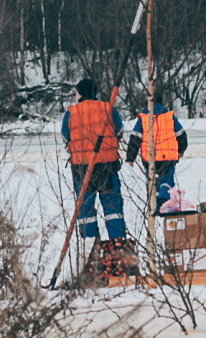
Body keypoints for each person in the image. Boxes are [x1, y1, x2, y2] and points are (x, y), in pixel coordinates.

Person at [61, 78, 128, 269]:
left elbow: (65, 136)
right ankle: (119, 255)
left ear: (80, 93)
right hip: (107, 168)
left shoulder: (71, 113)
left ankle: (91, 257)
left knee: (86, 213)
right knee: (113, 211)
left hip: (82, 170)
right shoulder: (108, 108)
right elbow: (119, 130)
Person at [124, 93, 188, 202]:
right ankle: (164, 199)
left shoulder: (143, 118)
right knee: (167, 180)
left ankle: (154, 205)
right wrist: (181, 150)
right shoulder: (169, 116)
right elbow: (181, 134)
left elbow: (135, 138)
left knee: (152, 182)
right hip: (168, 157)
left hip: (149, 157)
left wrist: (131, 157)